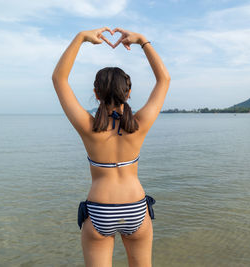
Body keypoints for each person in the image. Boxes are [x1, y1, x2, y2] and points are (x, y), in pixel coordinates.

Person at [52, 27, 170, 267]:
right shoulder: (139, 124)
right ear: (128, 92)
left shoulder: (88, 127)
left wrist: (81, 38)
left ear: (96, 94)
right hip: (135, 207)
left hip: (100, 210)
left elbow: (59, 79)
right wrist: (142, 41)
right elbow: (164, 80)